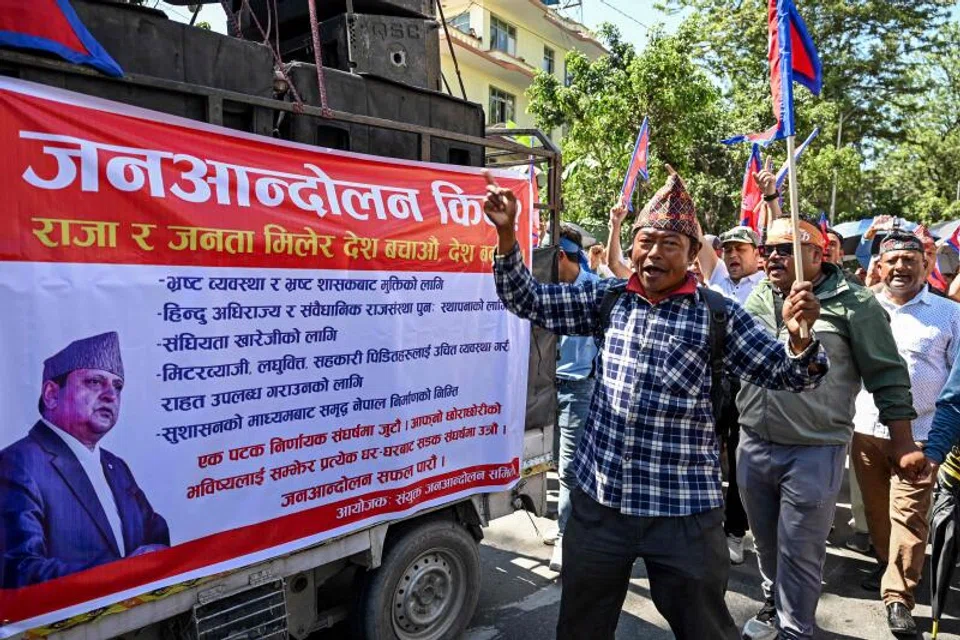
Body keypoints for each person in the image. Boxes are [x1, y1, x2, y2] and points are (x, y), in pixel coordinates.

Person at [483, 167, 829, 640]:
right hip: (600, 505)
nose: (653, 253)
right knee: (580, 627)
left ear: (691, 256)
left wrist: (800, 340)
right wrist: (506, 234)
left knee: (704, 628)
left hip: (683, 511)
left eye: (670, 244)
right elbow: (525, 299)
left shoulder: (717, 314)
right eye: (646, 241)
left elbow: (791, 375)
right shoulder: (606, 299)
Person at [736, 217, 928, 640]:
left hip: (815, 449)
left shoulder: (855, 304)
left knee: (801, 552)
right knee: (766, 545)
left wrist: (903, 442)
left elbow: (888, 374)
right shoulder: (758, 296)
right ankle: (775, 603)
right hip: (752, 443)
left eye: (785, 249)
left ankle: (795, 630)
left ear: (817, 255)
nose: (772, 256)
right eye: (768, 248)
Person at [850, 232, 960, 634]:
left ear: (926, 265)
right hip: (864, 432)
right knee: (879, 515)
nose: (900, 268)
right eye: (891, 261)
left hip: (921, 438)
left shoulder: (949, 314)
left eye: (909, 261)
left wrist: (945, 442)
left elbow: (957, 384)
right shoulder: (860, 309)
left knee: (909, 518)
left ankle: (899, 597)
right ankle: (886, 565)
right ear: (878, 266)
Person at [0, 332, 169, 588]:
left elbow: (155, 532)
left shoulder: (116, 466)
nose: (110, 395)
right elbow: (18, 570)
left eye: (118, 386)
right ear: (51, 394)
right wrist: (121, 573)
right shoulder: (18, 463)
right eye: (94, 382)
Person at [698, 225, 765, 565]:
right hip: (712, 380)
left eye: (741, 249)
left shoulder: (768, 287)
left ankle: (735, 532)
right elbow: (696, 236)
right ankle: (703, 524)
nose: (733, 255)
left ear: (758, 254)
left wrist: (770, 197)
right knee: (703, 453)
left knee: (740, 461)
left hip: (748, 384)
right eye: (728, 250)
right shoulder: (717, 278)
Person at [544, 225, 600, 573]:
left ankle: (568, 537)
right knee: (554, 462)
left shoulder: (594, 291)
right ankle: (569, 524)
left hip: (580, 386)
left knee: (569, 468)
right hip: (548, 387)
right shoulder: (550, 290)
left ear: (561, 256)